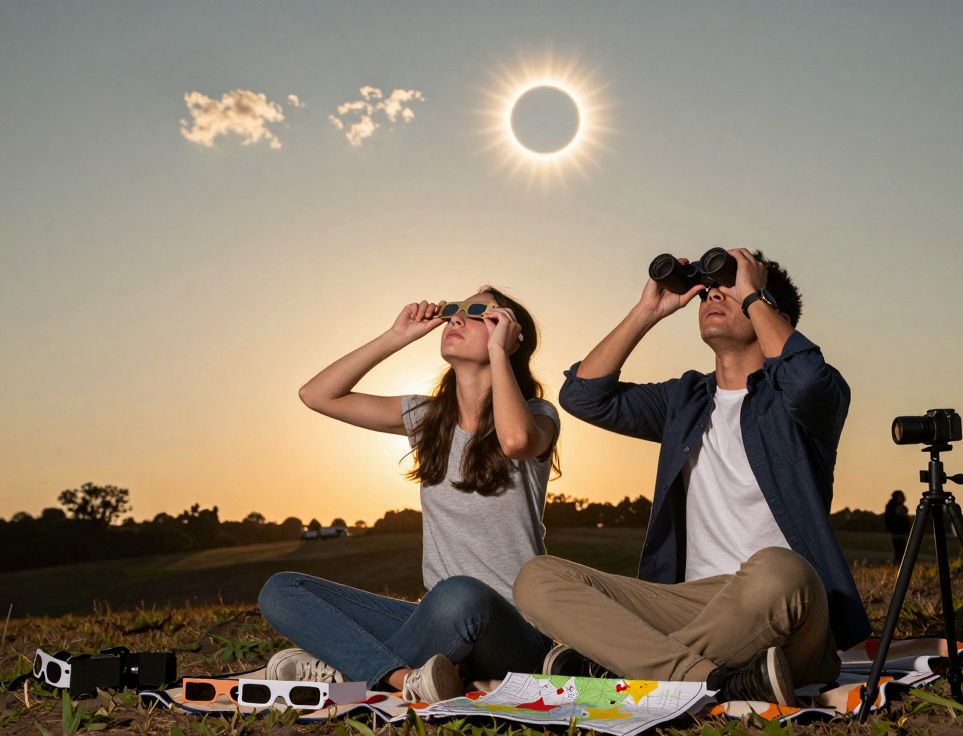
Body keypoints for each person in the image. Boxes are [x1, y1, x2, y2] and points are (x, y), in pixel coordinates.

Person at [513, 248, 869, 708]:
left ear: (768, 312)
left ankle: (621, 669)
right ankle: (716, 681)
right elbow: (583, 396)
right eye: (708, 290)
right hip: (692, 602)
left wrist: (755, 294)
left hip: (784, 603)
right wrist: (648, 311)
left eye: (730, 287)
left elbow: (807, 383)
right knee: (537, 578)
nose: (715, 294)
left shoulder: (804, 400)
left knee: (778, 568)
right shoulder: (685, 400)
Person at [258, 287, 559, 702]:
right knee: (283, 588)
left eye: (476, 312)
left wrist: (499, 355)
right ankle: (402, 679)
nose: (455, 318)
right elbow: (317, 395)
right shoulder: (426, 417)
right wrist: (396, 336)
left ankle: (345, 678)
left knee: (459, 593)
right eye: (453, 310)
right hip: (438, 622)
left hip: (512, 630)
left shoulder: (537, 414)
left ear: (509, 332)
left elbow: (514, 440)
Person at [884, 490, 910, 562]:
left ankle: (898, 565)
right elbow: (900, 519)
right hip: (899, 533)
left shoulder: (891, 506)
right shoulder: (894, 506)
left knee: (900, 552)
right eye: (901, 496)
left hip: (898, 533)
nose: (903, 498)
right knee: (900, 552)